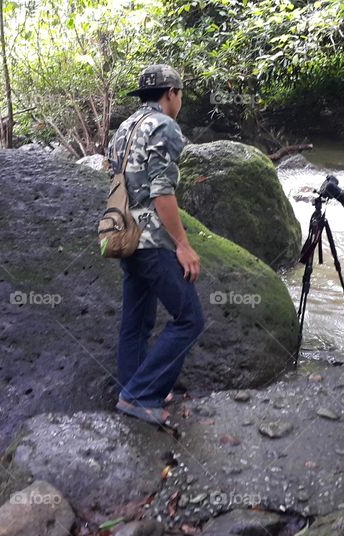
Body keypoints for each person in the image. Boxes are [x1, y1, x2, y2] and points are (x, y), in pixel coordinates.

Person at [108, 64, 205, 427]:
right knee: (189, 319)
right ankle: (139, 395)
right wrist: (182, 244)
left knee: (137, 320)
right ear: (171, 93)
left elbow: (119, 180)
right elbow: (162, 191)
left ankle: (133, 386)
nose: (179, 101)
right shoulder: (165, 126)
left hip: (124, 236)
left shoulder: (124, 127)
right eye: (180, 94)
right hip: (152, 241)